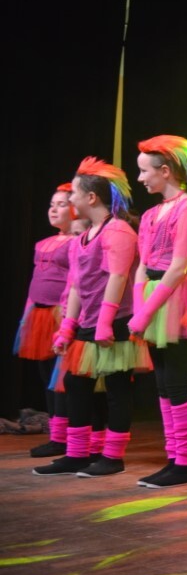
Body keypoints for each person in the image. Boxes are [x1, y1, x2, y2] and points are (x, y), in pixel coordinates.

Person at [34, 158, 148, 476]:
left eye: (74, 193)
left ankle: (112, 456)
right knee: (76, 382)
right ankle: (78, 453)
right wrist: (67, 328)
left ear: (92, 197)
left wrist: (104, 322)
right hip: (89, 321)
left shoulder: (119, 231)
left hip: (115, 321)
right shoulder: (84, 237)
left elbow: (118, 277)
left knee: (116, 388)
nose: (70, 198)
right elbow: (75, 285)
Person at [131, 136, 187, 489]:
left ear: (166, 171)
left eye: (145, 171)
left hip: (174, 298)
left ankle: (186, 462)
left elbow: (179, 267)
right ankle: (173, 457)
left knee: (178, 380)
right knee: (163, 382)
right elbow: (142, 265)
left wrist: (146, 312)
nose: (140, 178)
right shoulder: (151, 214)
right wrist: (139, 307)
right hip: (153, 297)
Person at [19, 183, 76, 458]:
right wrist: (26, 316)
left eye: (61, 204)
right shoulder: (42, 243)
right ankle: (55, 434)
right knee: (47, 376)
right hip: (38, 315)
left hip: (59, 315)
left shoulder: (77, 242)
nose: (53, 209)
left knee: (61, 378)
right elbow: (36, 282)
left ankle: (66, 437)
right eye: (52, 205)